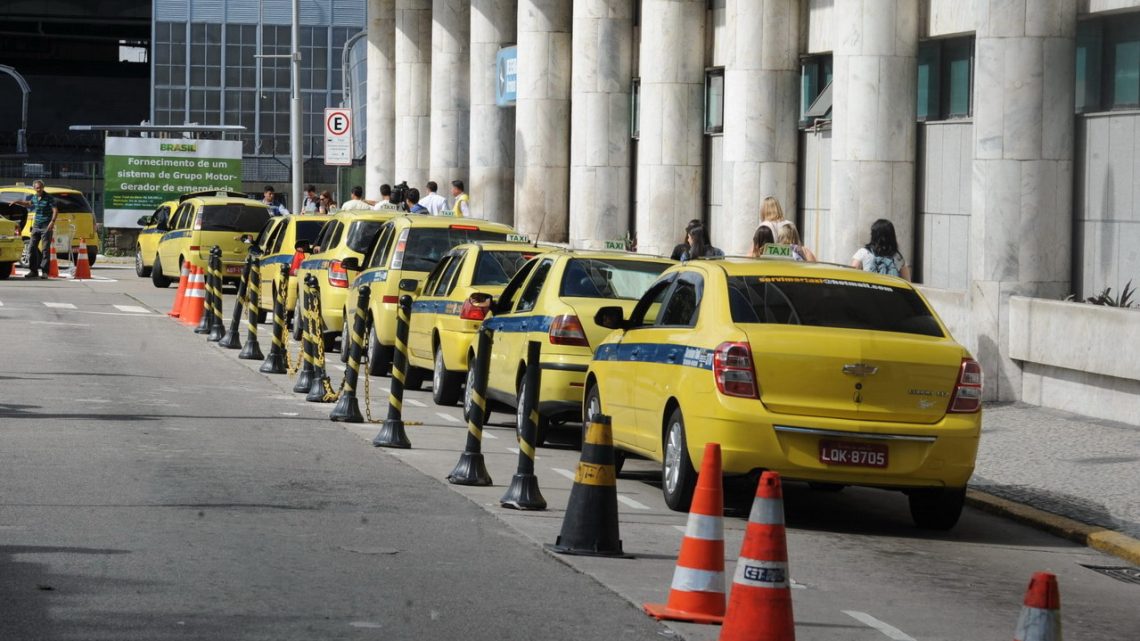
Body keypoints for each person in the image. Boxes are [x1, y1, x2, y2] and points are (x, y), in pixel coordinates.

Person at [14, 180, 57, 279]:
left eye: (40, 187)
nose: (39, 189)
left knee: (45, 249)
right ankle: (33, 271)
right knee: (31, 248)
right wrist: (17, 202)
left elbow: (55, 210)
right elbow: (28, 203)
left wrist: (52, 221)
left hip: (46, 226)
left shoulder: (49, 198)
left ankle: (45, 272)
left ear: (43, 187)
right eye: (37, 188)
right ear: (34, 188)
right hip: (36, 226)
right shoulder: (35, 197)